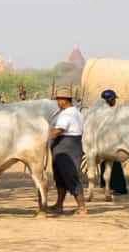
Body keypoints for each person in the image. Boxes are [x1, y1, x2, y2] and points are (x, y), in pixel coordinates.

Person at [49, 85, 87, 216]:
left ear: (64, 100)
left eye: (58, 100)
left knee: (71, 175)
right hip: (69, 146)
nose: (57, 102)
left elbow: (58, 130)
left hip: (67, 146)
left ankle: (82, 207)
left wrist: (44, 139)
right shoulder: (76, 113)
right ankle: (59, 205)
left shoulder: (67, 114)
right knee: (60, 177)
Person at [96, 89, 128, 195]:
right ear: (109, 100)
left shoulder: (106, 111)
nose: (115, 101)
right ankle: (112, 187)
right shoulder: (108, 112)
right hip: (110, 141)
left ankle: (114, 187)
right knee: (111, 164)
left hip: (108, 141)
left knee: (110, 164)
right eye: (113, 99)